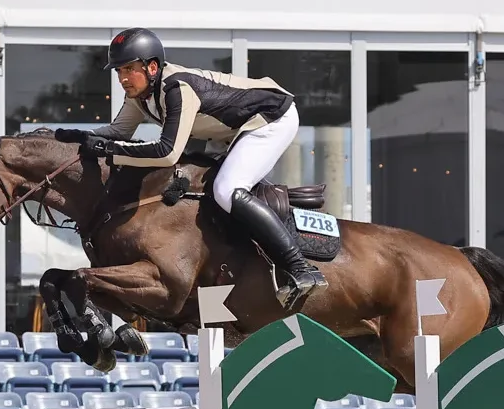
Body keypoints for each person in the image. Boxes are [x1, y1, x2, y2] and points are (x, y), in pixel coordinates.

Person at [60, 27, 326, 307]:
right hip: (229, 132)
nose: (123, 78)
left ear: (152, 67)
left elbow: (166, 153)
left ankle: (300, 268)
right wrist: (76, 138)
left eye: (128, 69)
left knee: (227, 190)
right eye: (118, 71)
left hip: (270, 119)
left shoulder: (177, 89)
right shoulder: (140, 95)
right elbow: (118, 131)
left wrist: (109, 151)